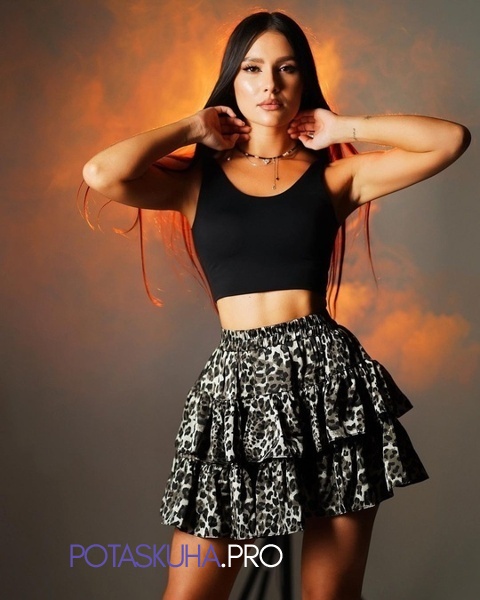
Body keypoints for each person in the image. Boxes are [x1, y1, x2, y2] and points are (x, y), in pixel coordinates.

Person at [82, 11, 470, 600]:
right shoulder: (195, 181)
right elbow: (100, 172)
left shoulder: (335, 178)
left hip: (329, 386)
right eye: (252, 69)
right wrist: (194, 126)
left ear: (303, 81)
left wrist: (344, 125)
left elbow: (450, 140)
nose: (269, 84)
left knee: (329, 595)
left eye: (286, 69)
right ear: (232, 82)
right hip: (235, 392)